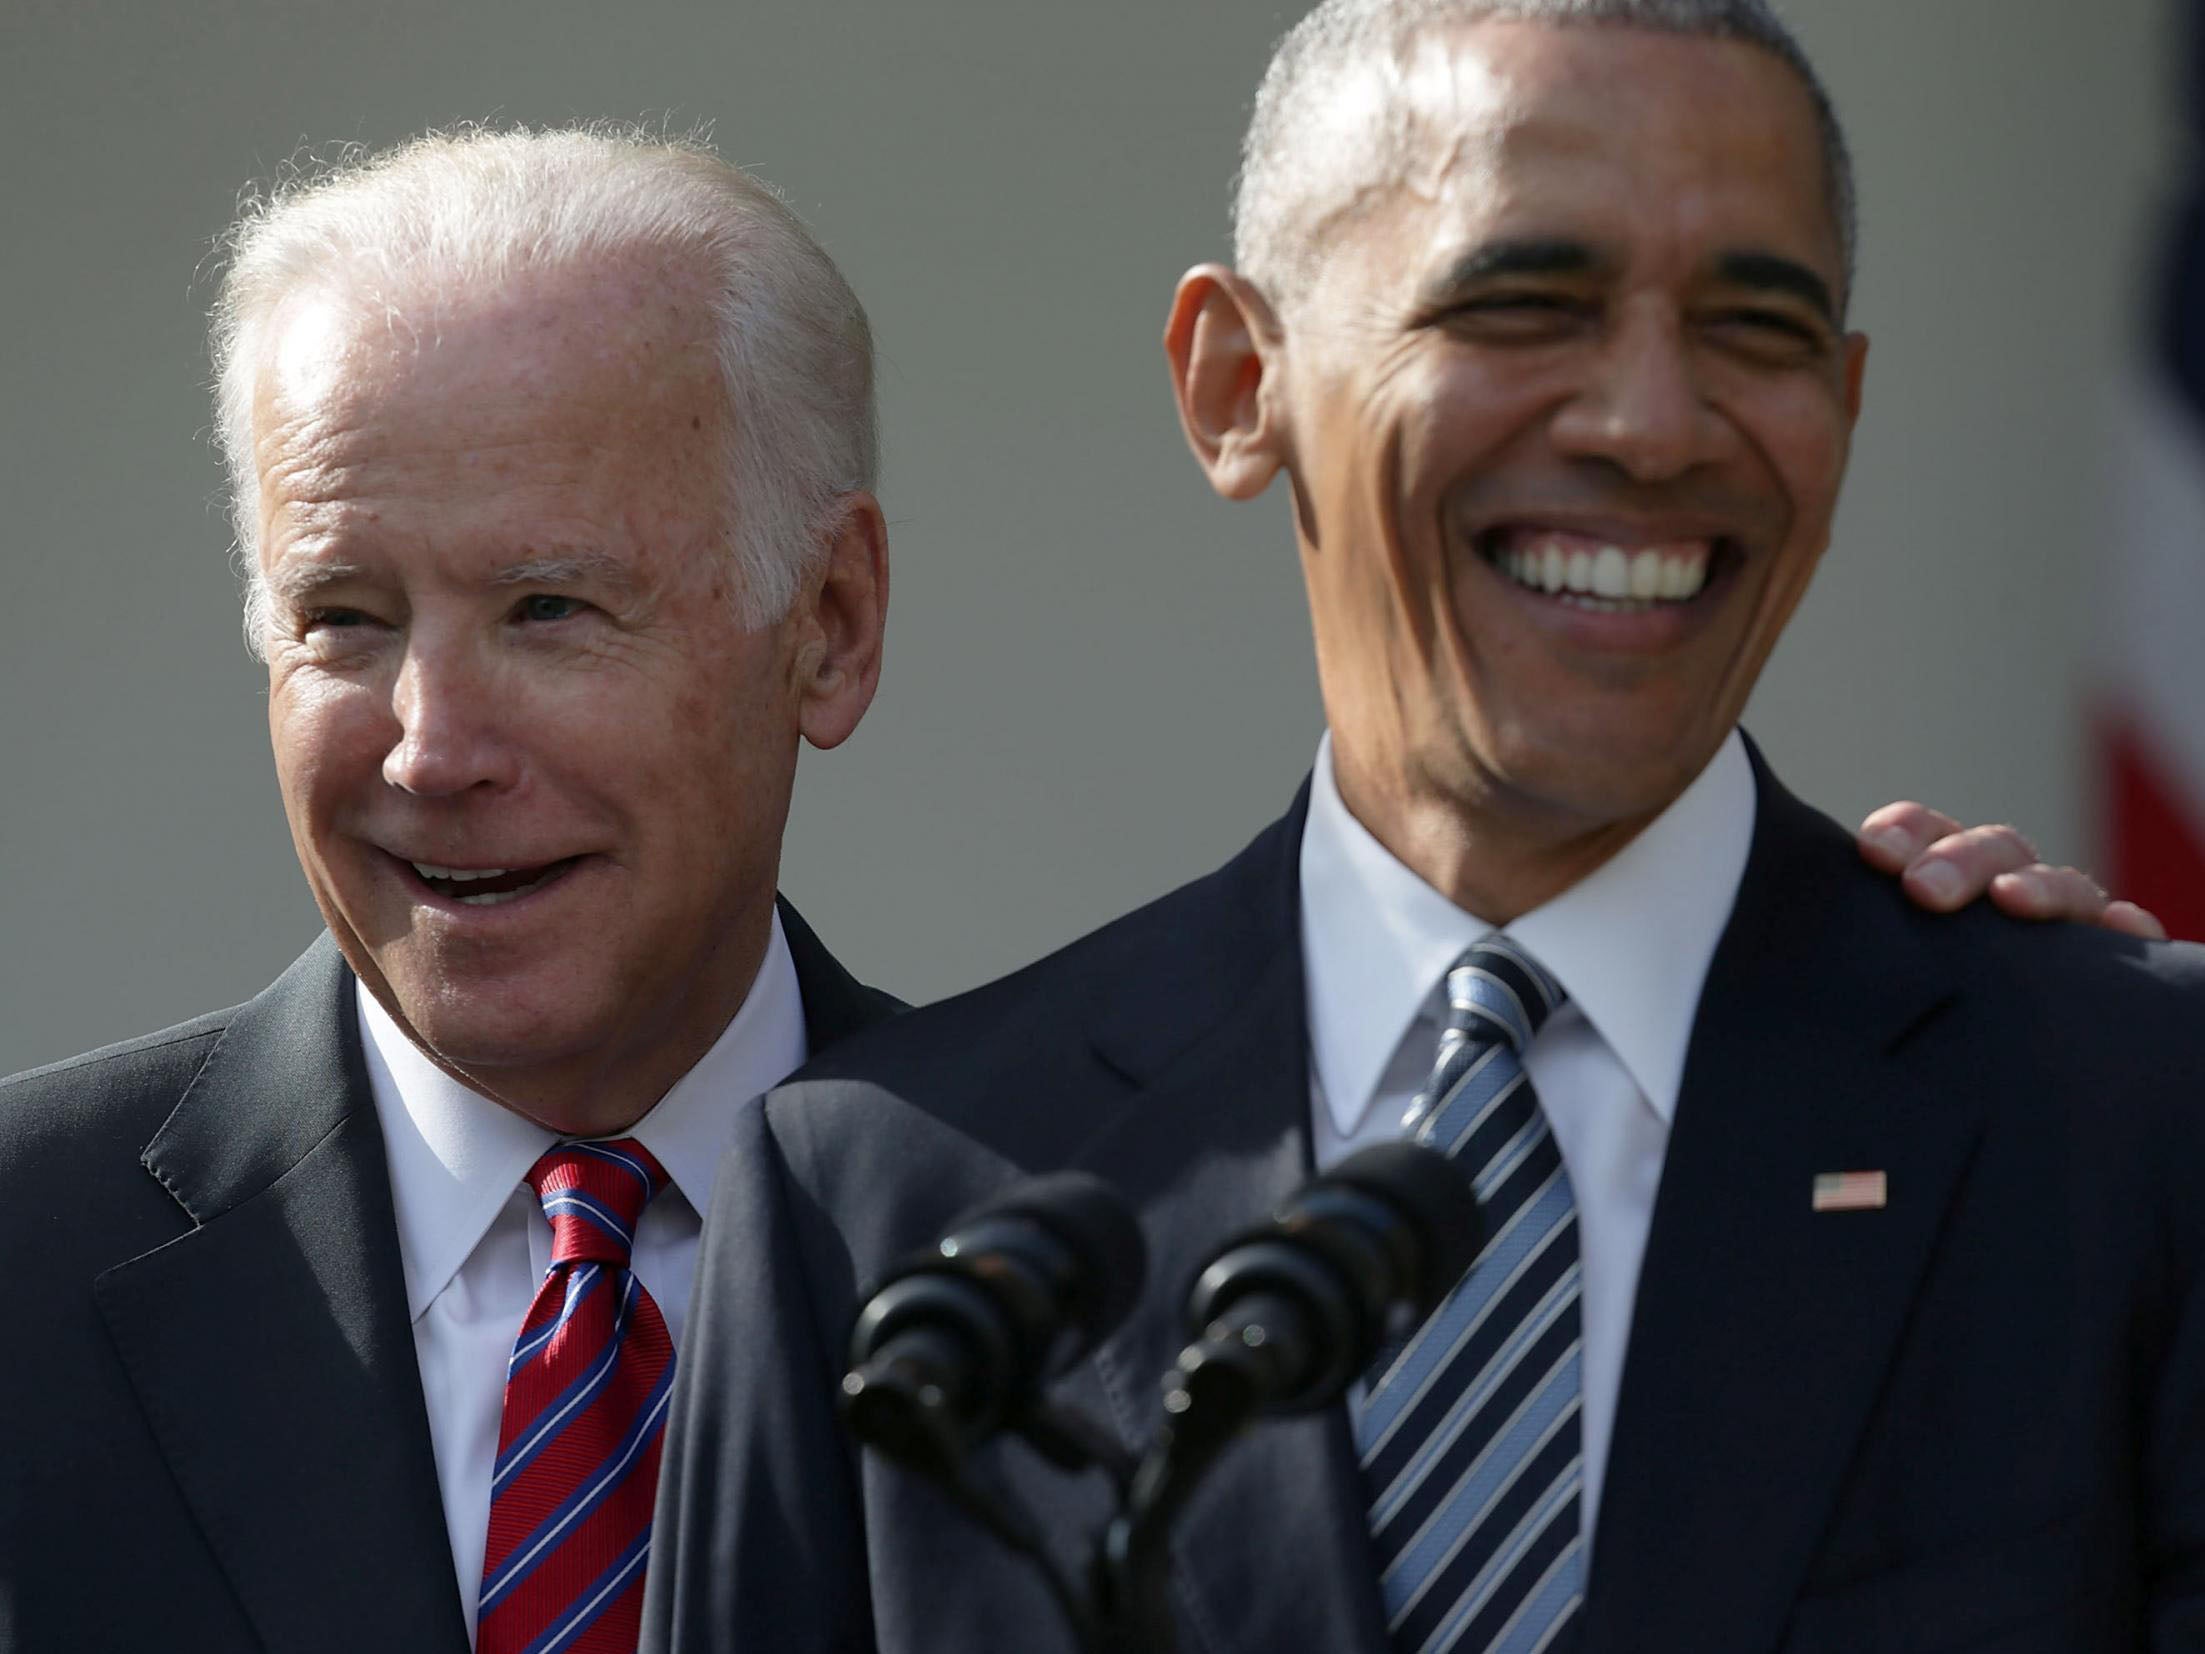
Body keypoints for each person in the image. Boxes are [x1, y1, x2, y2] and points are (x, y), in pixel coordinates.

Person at [643, 4, 2205, 1651]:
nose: (1652, 425)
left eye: (1757, 330)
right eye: (1525, 304)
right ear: (1240, 384)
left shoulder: (2127, 1127)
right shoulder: (880, 1198)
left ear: (1845, 400)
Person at [0, 129, 896, 1653]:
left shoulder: (1118, 1255)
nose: (432, 748)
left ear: (827, 622)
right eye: (341, 616)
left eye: (549, 608)